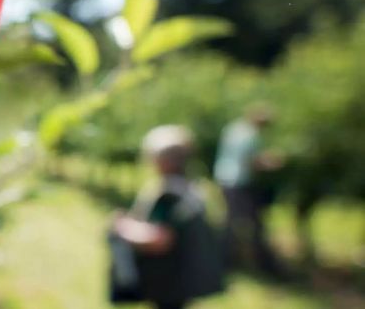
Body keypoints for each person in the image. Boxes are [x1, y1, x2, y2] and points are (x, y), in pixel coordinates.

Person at [110, 125, 223, 309]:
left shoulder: (169, 194)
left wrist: (124, 228)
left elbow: (160, 239)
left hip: (168, 282)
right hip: (181, 281)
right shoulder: (191, 189)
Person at [213, 104, 284, 276]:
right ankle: (229, 262)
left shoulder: (233, 128)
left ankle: (226, 260)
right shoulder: (252, 135)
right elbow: (251, 162)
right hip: (239, 182)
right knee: (248, 222)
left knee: (232, 220)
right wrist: (271, 162)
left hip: (224, 178)